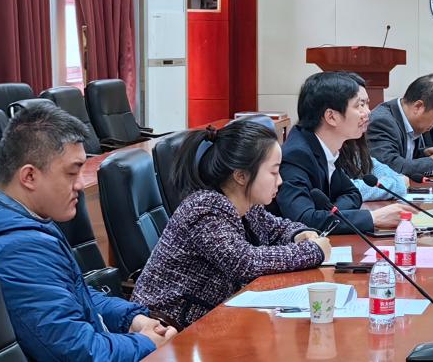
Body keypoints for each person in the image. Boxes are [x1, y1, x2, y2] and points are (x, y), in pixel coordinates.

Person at [0, 103, 174, 360]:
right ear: (29, 177)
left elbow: (73, 294)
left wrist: (131, 319)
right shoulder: (19, 250)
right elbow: (75, 353)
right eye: (72, 173)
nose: (80, 184)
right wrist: (146, 343)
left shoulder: (16, 215)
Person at [131, 120, 332, 329]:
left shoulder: (246, 204)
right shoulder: (204, 210)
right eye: (273, 172)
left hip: (210, 320)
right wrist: (312, 251)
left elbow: (276, 228)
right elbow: (245, 262)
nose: (280, 180)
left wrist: (299, 234)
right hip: (165, 328)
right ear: (241, 176)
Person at [274, 71, 405, 233]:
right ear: (331, 117)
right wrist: (372, 218)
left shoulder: (324, 146)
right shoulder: (297, 155)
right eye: (359, 105)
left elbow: (352, 193)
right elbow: (302, 220)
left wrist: (331, 214)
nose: (368, 112)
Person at [368, 73, 433, 181]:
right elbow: (389, 168)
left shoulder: (409, 119)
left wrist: (424, 153)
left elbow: (404, 155)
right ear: (418, 106)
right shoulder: (382, 122)